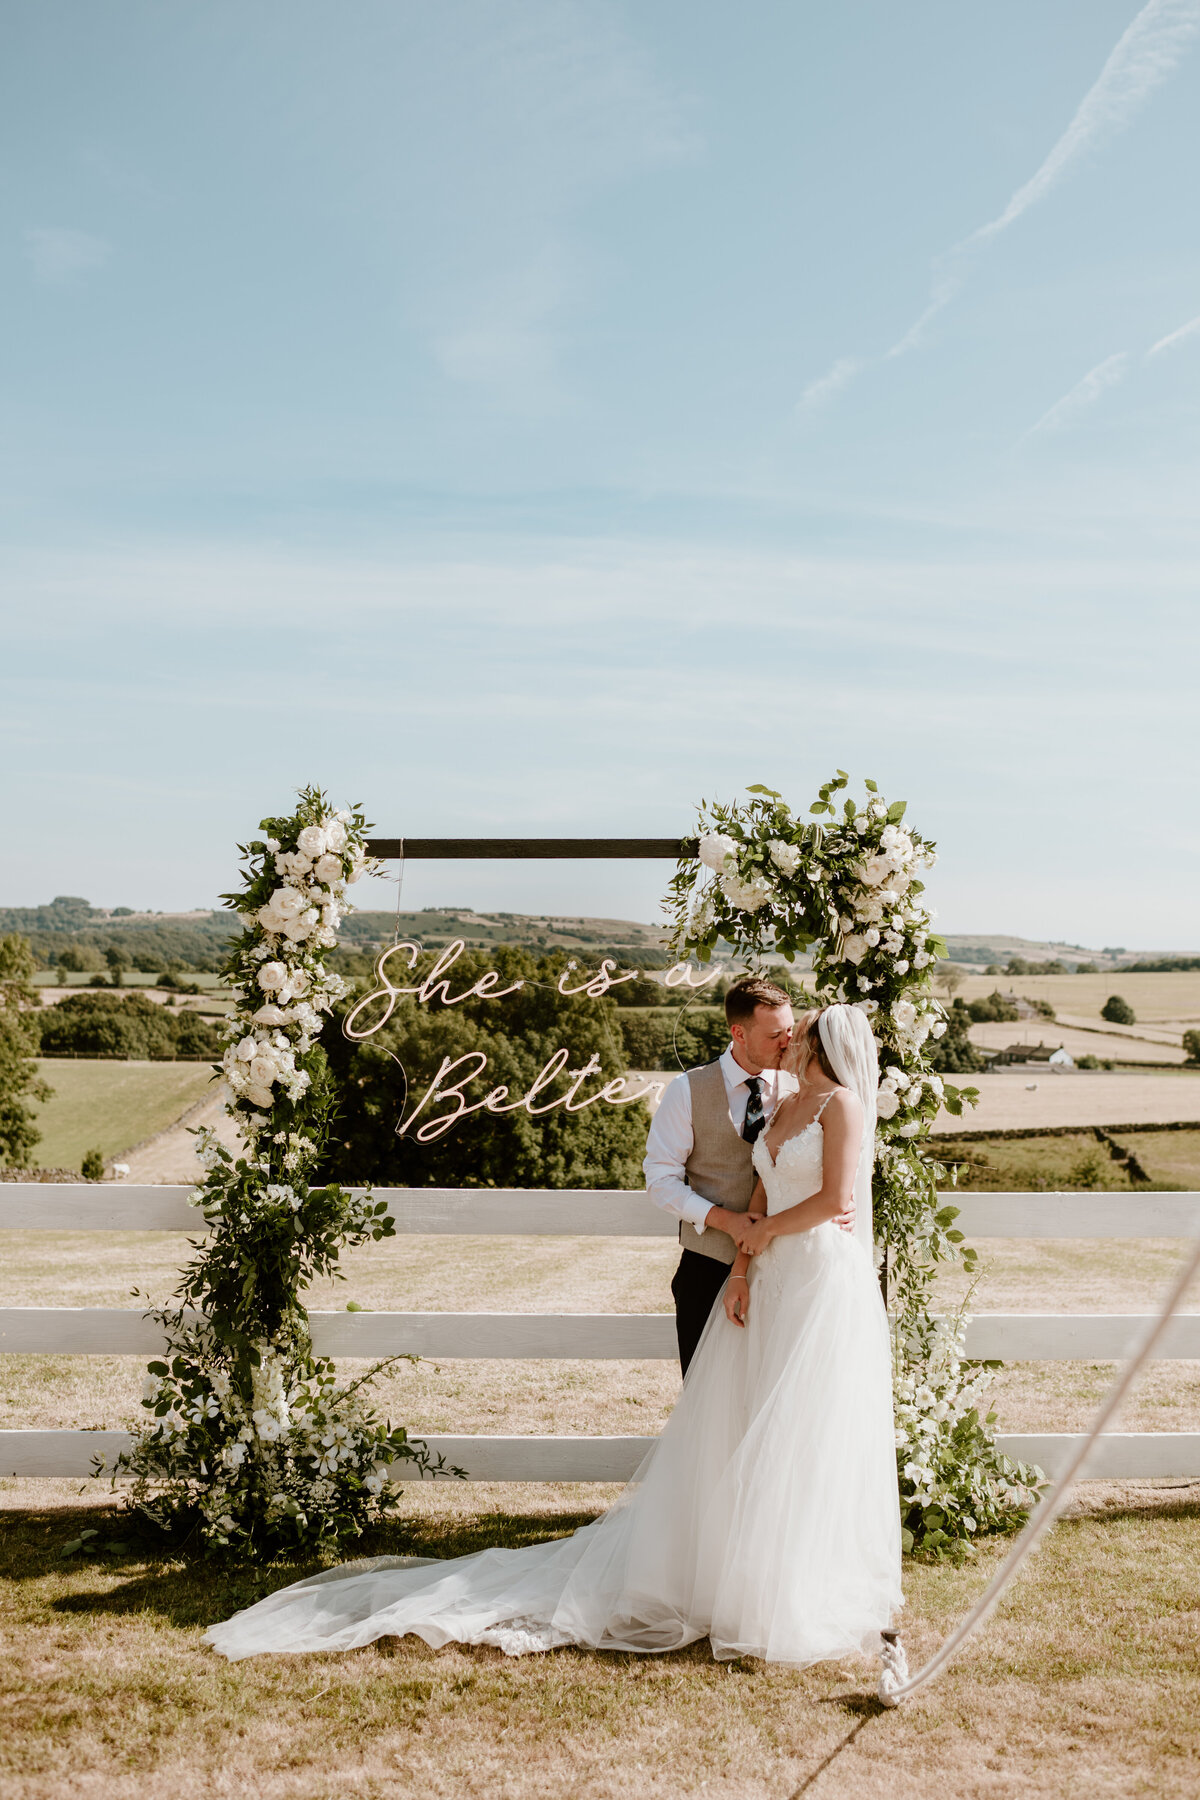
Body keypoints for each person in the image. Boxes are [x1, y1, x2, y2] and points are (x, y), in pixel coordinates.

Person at [205, 1004, 901, 1669]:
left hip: (814, 1281)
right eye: (787, 1032)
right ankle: (736, 1574)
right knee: (744, 1423)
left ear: (822, 1046)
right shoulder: (781, 1105)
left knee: (801, 1430)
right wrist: (744, 1263)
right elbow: (758, 1190)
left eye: (800, 1034)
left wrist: (763, 1234)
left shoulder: (841, 1106)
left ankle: (796, 1587)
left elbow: (837, 1201)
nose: (791, 1042)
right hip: (766, 1272)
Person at [643, 974, 852, 1372]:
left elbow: (829, 1163)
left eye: (791, 1030)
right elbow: (660, 1180)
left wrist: (844, 1201)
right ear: (738, 1032)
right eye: (775, 1034)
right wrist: (728, 1221)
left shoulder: (804, 1087)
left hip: (790, 1270)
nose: (788, 1042)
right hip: (709, 1266)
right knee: (709, 1399)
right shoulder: (687, 1090)